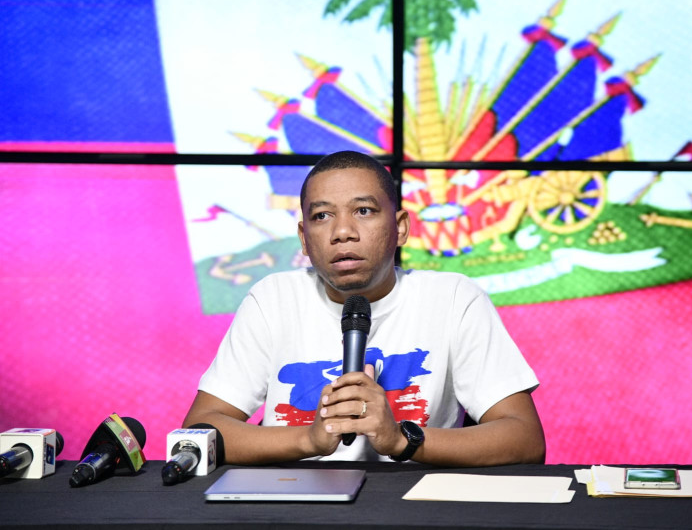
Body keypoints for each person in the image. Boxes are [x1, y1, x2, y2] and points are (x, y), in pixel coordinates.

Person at [183, 150, 546, 466]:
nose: (343, 231)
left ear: (400, 227)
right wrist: (308, 440)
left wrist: (401, 440)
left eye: (364, 210)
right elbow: (199, 430)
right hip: (292, 500)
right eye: (322, 216)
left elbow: (525, 439)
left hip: (412, 502)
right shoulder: (273, 298)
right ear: (304, 238)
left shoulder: (453, 298)